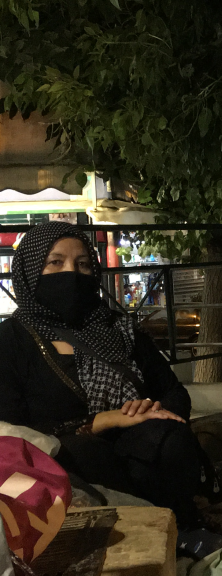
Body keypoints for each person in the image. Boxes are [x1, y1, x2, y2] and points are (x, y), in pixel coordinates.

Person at [0, 222, 209, 524]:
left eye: (83, 264)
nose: (72, 273)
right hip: (68, 462)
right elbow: (12, 429)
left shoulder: (119, 330)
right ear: (30, 271)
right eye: (55, 262)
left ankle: (179, 530)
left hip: (137, 448)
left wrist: (152, 408)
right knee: (87, 453)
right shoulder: (11, 341)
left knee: (170, 438)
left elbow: (175, 393)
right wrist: (104, 420)